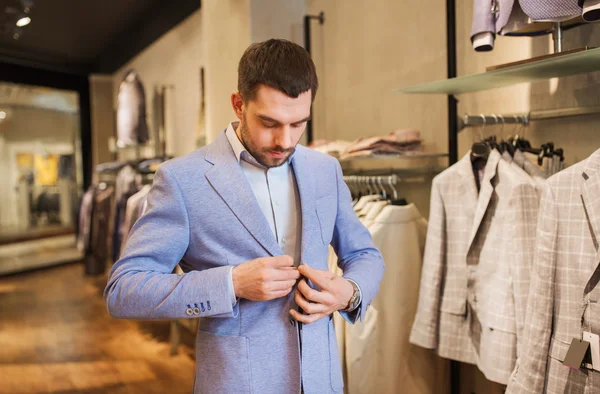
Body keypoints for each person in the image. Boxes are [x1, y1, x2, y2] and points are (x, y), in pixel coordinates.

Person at [104, 38, 385, 394]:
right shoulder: (182, 180)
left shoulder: (325, 170)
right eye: (269, 122)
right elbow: (124, 290)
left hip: (321, 380)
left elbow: (365, 255)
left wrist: (349, 291)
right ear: (239, 104)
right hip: (236, 382)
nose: (285, 140)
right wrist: (232, 283)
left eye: (299, 124)